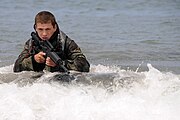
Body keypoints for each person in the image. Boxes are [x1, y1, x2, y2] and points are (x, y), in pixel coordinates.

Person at [13, 11, 90, 73]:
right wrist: (33, 60)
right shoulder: (31, 43)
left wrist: (61, 64)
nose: (44, 34)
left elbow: (85, 65)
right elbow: (16, 67)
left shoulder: (65, 42)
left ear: (55, 27)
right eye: (40, 29)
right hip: (39, 83)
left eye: (48, 29)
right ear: (35, 28)